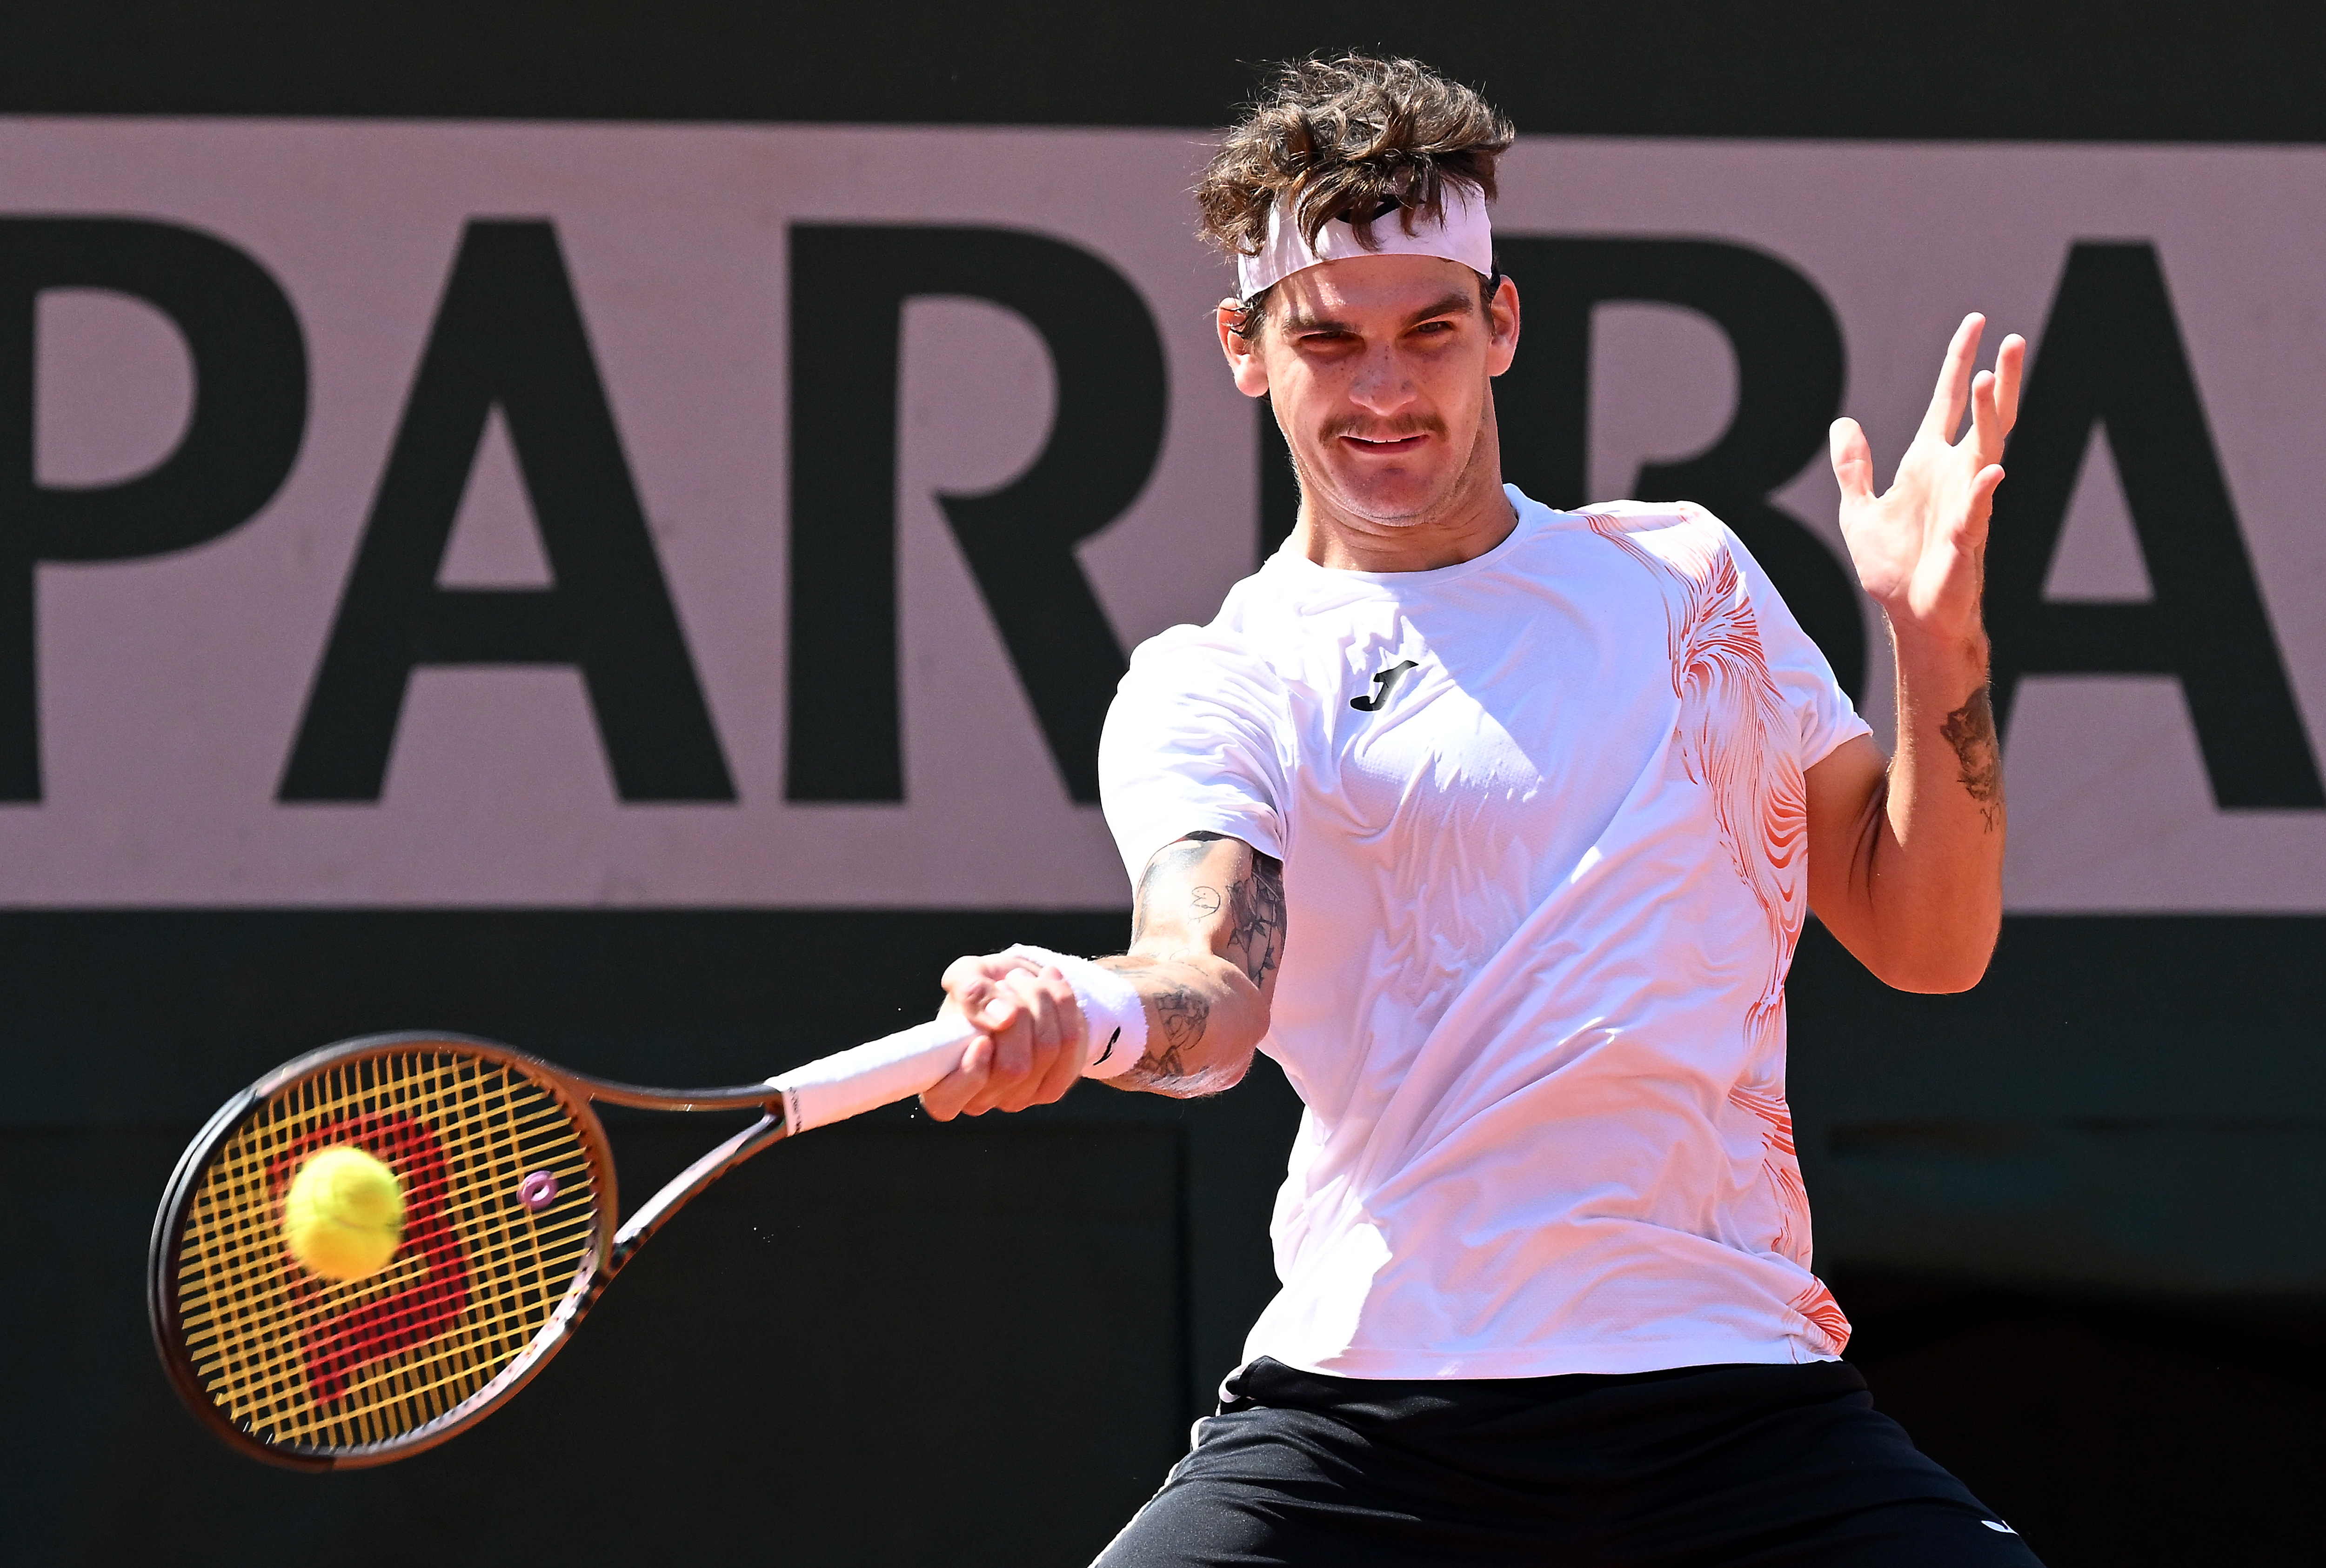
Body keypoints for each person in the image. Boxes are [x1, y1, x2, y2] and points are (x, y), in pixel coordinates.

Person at [921, 53, 2042, 1568]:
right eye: (1330, 341)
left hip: (1738, 1394)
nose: (1385, 390)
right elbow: (1211, 977)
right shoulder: (1219, 680)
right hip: (1370, 1412)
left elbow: (1930, 939)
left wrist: (1936, 643)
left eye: (1429, 332)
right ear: (1246, 349)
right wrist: (1091, 1009)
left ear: (1500, 326)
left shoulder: (1688, 581)